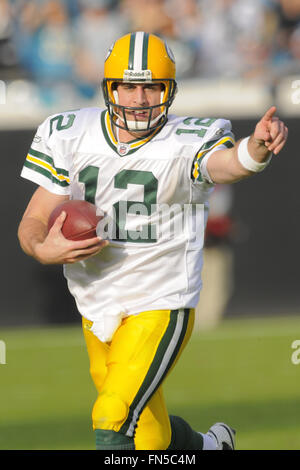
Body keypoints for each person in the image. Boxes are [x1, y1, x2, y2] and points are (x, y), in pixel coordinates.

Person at [17, 31, 288, 451]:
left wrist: (255, 149)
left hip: (161, 298)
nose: (140, 98)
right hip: (95, 299)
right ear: (110, 87)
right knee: (148, 436)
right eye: (129, 85)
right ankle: (212, 447)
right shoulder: (68, 132)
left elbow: (228, 164)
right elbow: (34, 216)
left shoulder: (190, 138)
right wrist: (40, 246)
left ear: (169, 90)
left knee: (111, 419)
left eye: (151, 86)